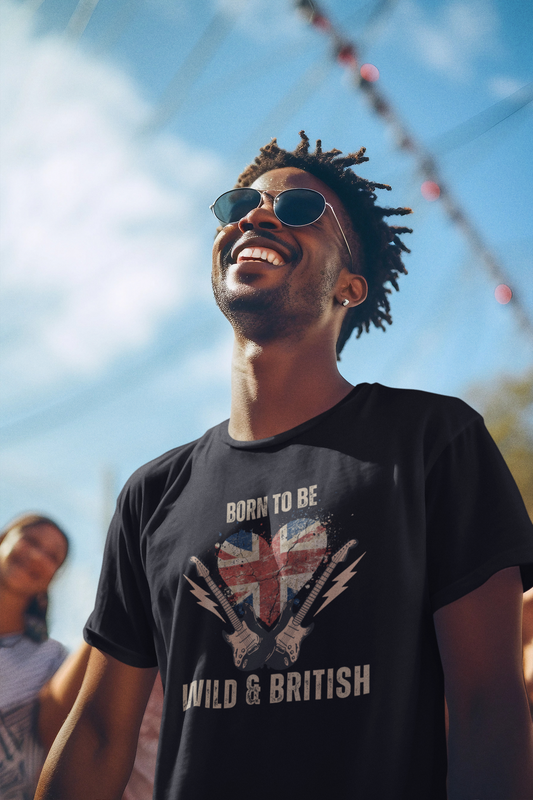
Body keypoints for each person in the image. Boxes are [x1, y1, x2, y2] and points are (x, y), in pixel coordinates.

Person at [36, 132, 533, 799]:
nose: (257, 216)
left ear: (350, 286)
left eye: (300, 210)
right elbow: (97, 733)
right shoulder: (152, 494)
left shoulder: (431, 442)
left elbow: (486, 706)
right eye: (241, 203)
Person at [0, 513, 90, 799]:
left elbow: (58, 746)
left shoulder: (53, 660)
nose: (38, 556)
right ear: (5, 539)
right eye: (31, 541)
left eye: (53, 556)